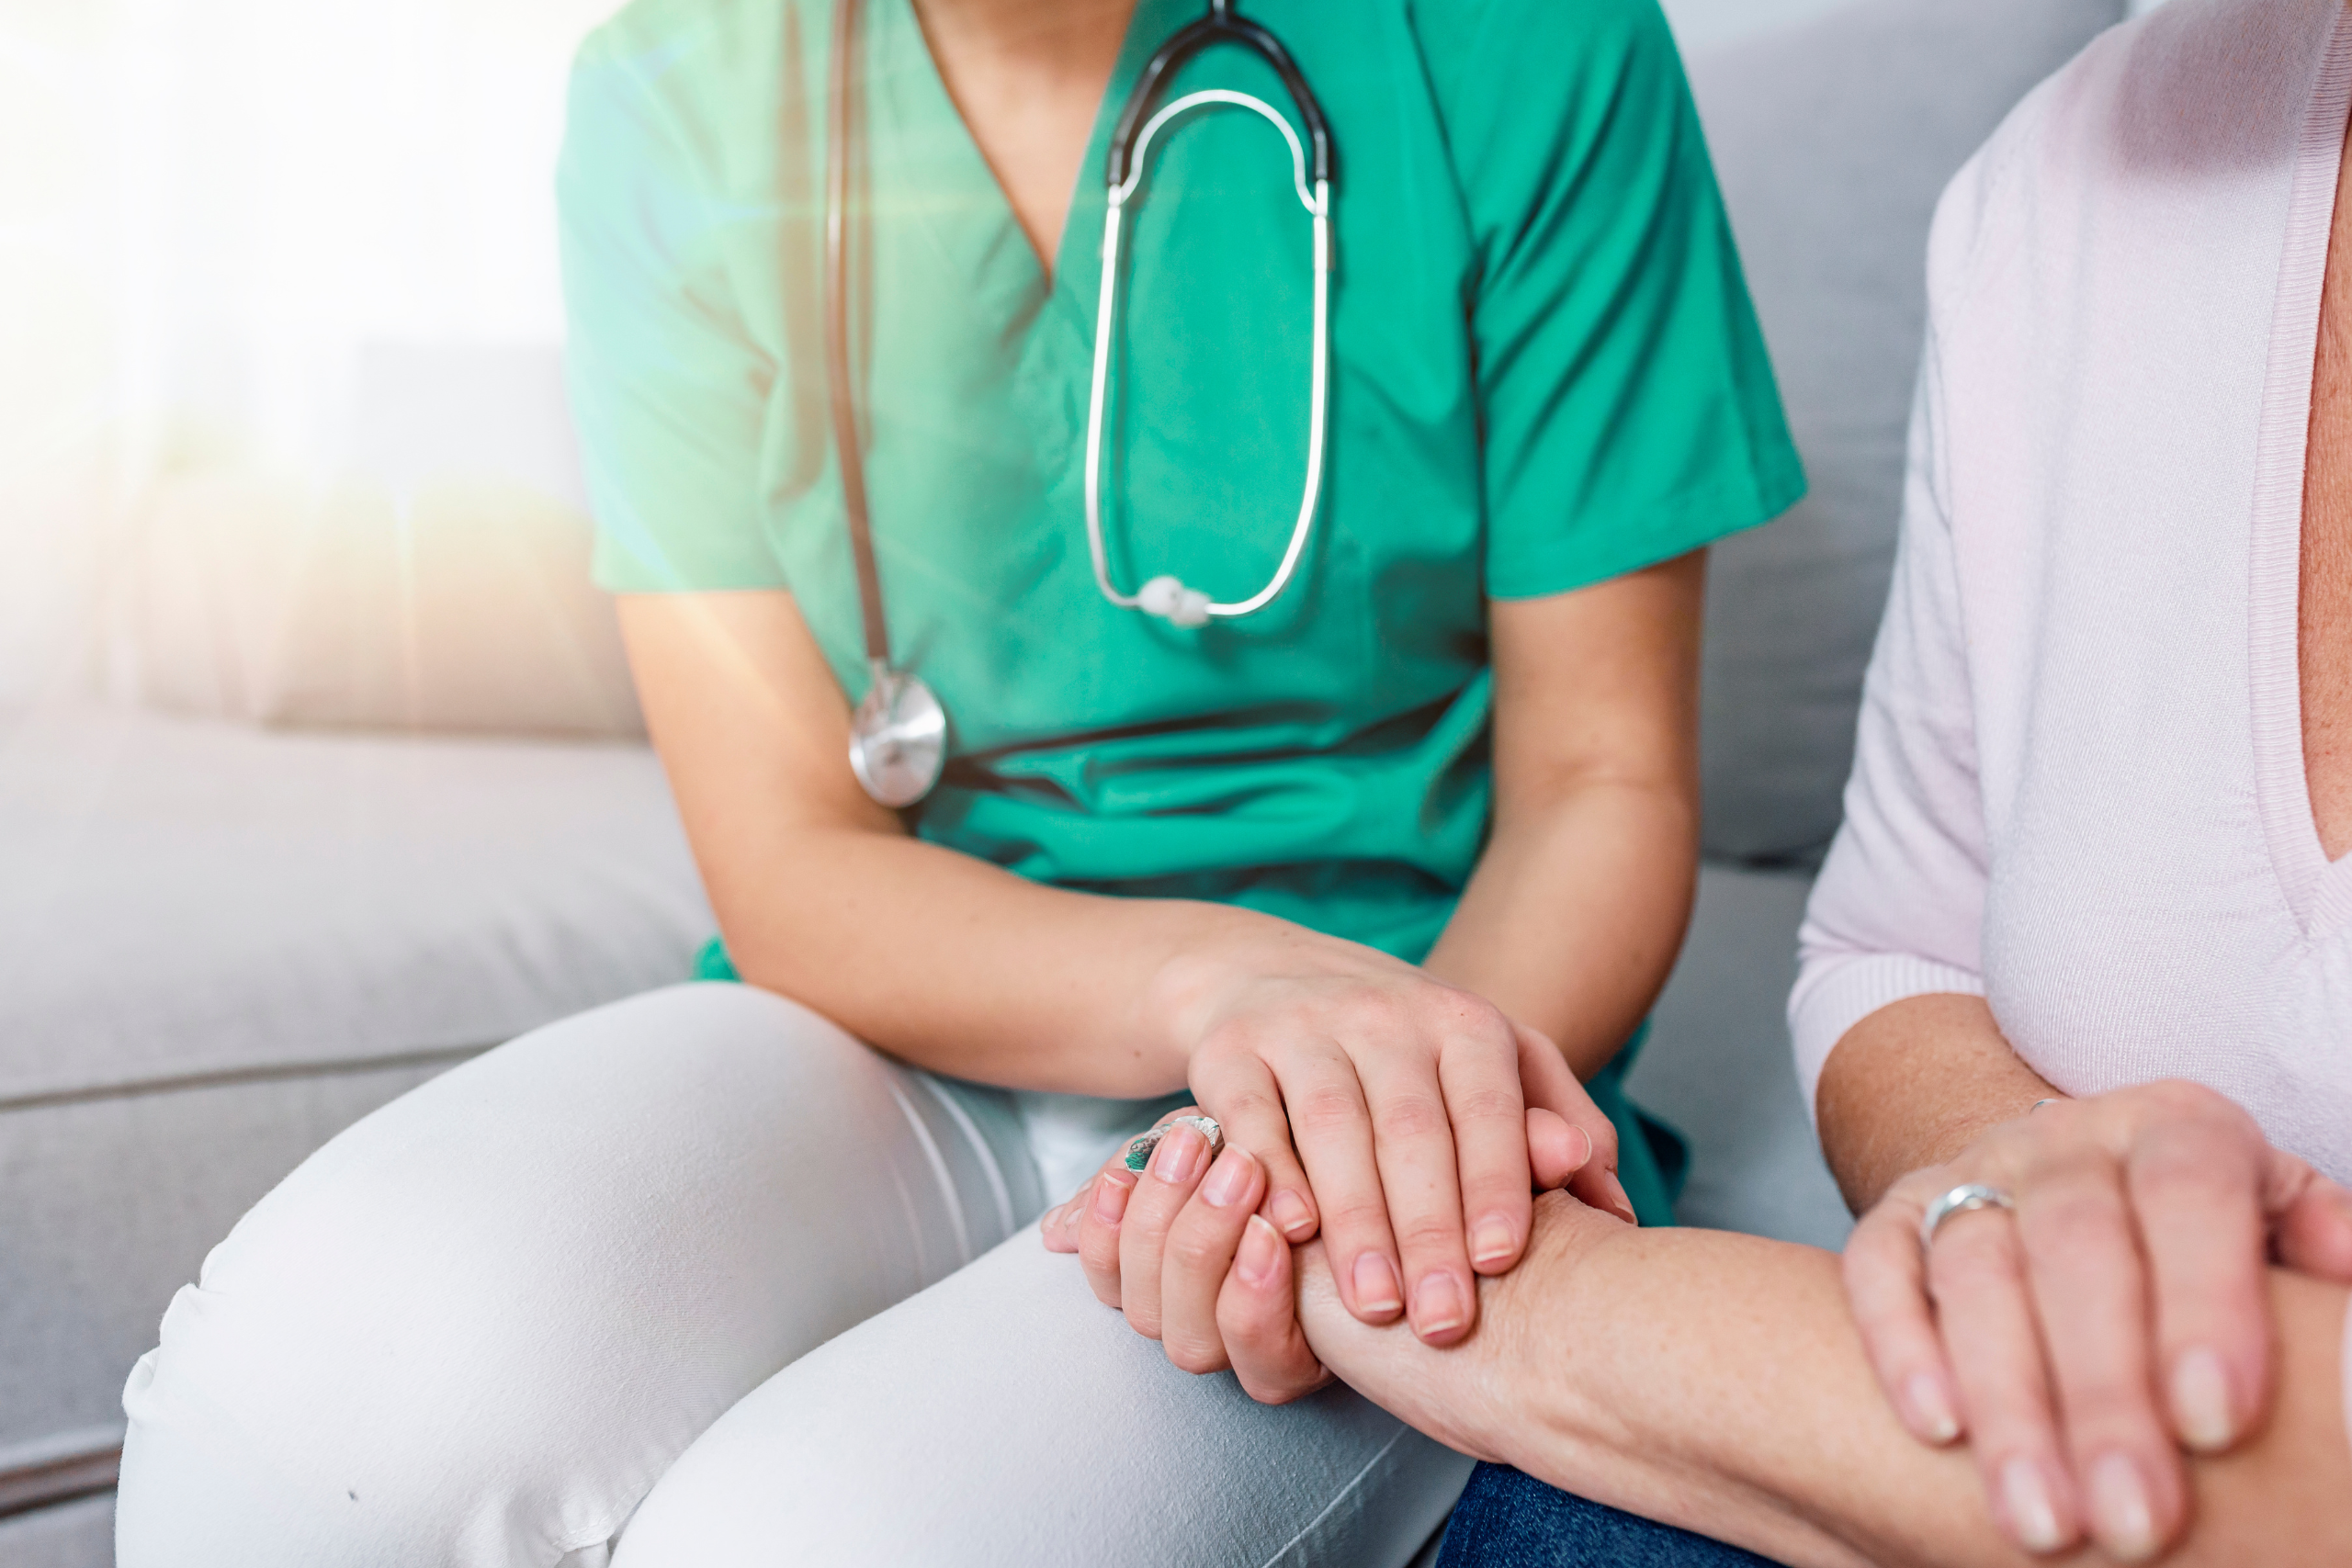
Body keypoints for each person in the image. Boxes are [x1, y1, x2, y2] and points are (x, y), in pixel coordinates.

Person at [107, 0, 1804, 1562]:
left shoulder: (1529, 45)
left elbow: (1603, 776)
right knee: (298, 1400)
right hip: (903, 1021)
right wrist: (1223, 979)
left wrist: (1385, 1119)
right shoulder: (677, 89)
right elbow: (787, 851)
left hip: (1398, 1064)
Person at [1048, 0, 2352, 1561]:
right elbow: (1894, 950)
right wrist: (1998, 1174)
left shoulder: (1539, 63)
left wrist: (1476, 1274)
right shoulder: (2063, 177)